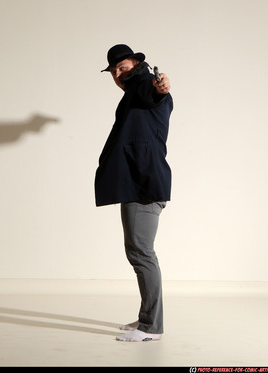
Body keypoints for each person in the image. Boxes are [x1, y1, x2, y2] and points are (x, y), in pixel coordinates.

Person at [94, 44, 173, 342]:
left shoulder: (143, 85)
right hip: (136, 182)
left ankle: (152, 327)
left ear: (137, 64)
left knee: (141, 252)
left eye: (122, 67)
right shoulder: (133, 93)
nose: (118, 74)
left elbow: (154, 93)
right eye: (113, 71)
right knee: (137, 251)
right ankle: (146, 319)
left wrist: (161, 87)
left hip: (145, 184)